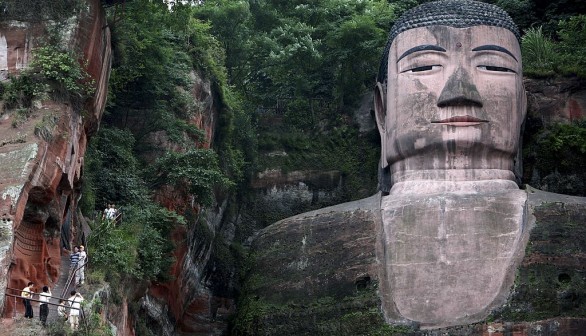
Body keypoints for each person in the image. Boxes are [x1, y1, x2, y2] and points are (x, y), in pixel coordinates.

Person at [242, 0, 586, 334]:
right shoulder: (290, 246)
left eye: (493, 66)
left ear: (522, 106)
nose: (459, 91)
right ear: (383, 109)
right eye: (423, 67)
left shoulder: (577, 227)